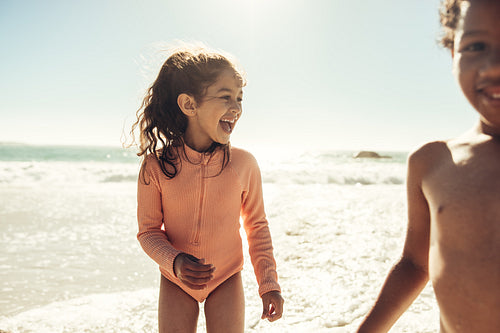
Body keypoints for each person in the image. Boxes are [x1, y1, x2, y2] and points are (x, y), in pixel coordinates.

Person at [357, 0, 500, 332]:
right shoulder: (432, 163)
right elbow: (414, 263)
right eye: (476, 46)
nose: (494, 66)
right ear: (453, 55)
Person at [132, 44, 284, 332]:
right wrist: (174, 261)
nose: (237, 108)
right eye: (226, 97)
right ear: (190, 105)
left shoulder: (243, 164)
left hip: (226, 277)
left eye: (239, 98)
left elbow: (257, 227)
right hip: (176, 279)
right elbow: (148, 232)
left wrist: (269, 284)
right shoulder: (156, 166)